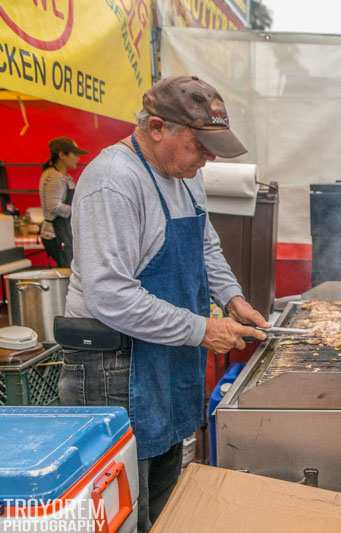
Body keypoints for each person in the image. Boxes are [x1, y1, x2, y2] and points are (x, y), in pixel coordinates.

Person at [57, 76, 268, 531]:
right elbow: (109, 294)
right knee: (124, 512)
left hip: (168, 357)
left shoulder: (184, 177)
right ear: (157, 127)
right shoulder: (113, 181)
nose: (209, 158)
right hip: (116, 366)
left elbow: (206, 247)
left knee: (167, 501)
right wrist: (204, 330)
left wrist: (232, 298)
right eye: (201, 145)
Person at [39, 137, 86, 267]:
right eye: (74, 154)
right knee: (67, 272)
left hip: (63, 232)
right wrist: (79, 210)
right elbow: (54, 206)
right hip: (56, 234)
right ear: (62, 155)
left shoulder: (61, 176)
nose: (78, 158)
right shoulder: (55, 177)